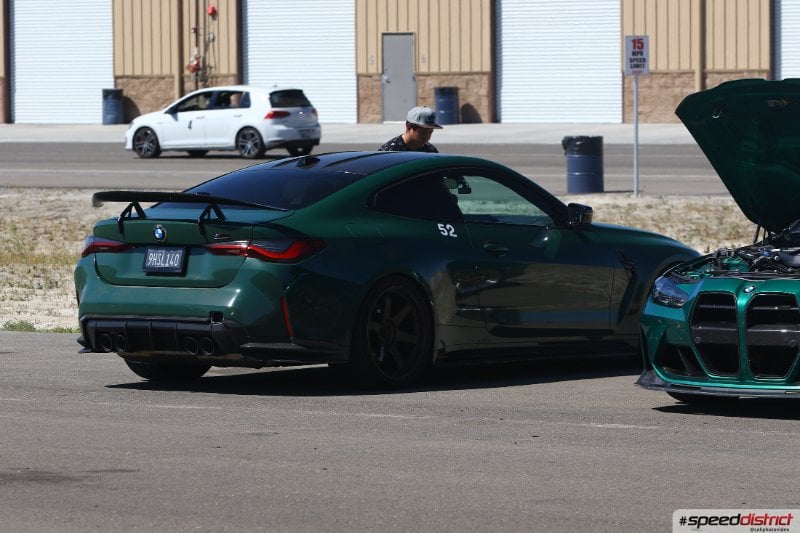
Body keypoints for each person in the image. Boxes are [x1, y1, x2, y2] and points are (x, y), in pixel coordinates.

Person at [378, 106, 442, 153]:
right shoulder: (389, 151)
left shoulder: (430, 151)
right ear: (409, 127)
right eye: (422, 133)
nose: (427, 137)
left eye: (430, 133)